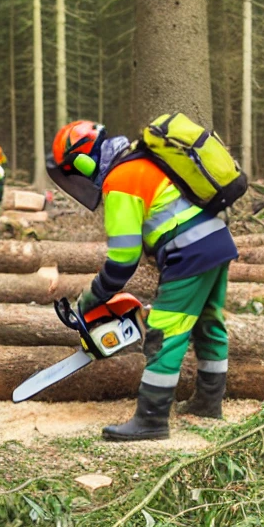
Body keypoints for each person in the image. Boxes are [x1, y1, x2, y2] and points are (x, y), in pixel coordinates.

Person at [48, 117, 238, 440]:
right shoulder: (140, 158)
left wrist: (91, 298)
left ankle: (151, 419)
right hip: (217, 242)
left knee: (164, 333)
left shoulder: (119, 179)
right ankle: (209, 403)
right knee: (209, 325)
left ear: (81, 161)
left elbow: (123, 260)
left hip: (189, 252)